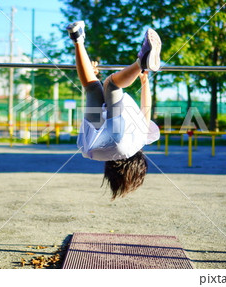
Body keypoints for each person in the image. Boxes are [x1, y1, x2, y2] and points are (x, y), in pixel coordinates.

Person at [66, 20, 161, 199]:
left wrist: (144, 80)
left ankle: (141, 62)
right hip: (92, 144)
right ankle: (77, 38)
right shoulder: (95, 156)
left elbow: (146, 110)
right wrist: (92, 74)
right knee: (93, 87)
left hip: (118, 139)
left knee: (112, 85)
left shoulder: (137, 144)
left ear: (139, 164)